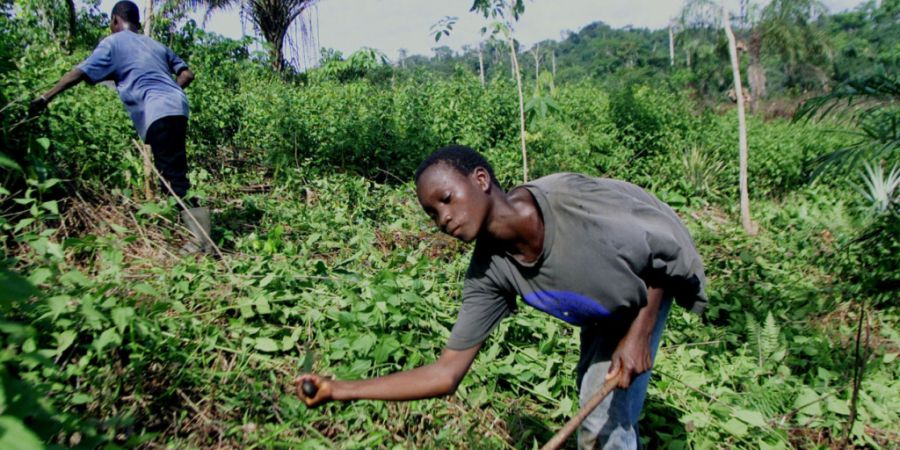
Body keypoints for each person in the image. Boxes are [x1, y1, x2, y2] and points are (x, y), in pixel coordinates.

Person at [296, 145, 707, 449]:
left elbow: (664, 253)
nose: (443, 219)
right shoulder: (489, 273)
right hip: (600, 304)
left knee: (604, 422)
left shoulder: (569, 203)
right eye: (432, 213)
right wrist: (339, 390)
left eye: (446, 199)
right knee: (595, 396)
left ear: (480, 180)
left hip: (648, 281)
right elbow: (446, 374)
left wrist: (639, 335)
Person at [28, 0, 212, 254]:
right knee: (173, 171)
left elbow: (79, 72)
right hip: (177, 106)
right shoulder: (156, 45)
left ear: (115, 20)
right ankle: (197, 236)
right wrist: (168, 91)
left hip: (158, 111)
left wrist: (45, 97)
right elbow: (187, 74)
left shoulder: (113, 42)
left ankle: (202, 241)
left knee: (173, 178)